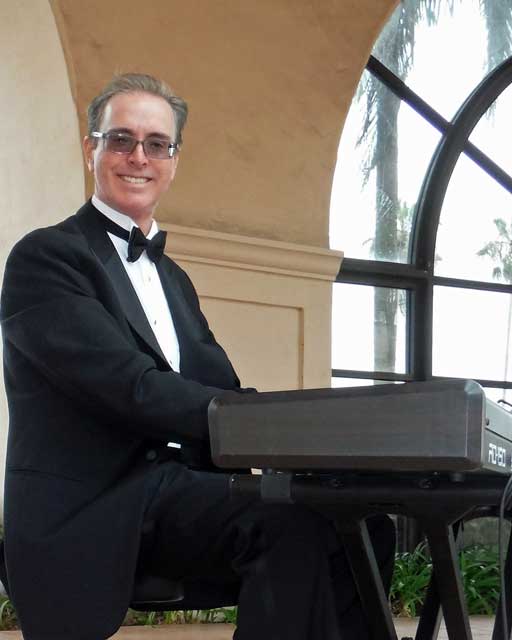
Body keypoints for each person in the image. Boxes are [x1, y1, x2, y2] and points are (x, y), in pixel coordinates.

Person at [0, 73, 395, 640]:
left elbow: (222, 387)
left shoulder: (173, 280)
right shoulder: (47, 258)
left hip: (179, 492)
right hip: (99, 505)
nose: (139, 156)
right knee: (293, 525)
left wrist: (312, 437)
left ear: (174, 160)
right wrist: (275, 429)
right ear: (92, 149)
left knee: (362, 525)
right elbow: (130, 386)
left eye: (156, 144)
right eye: (121, 140)